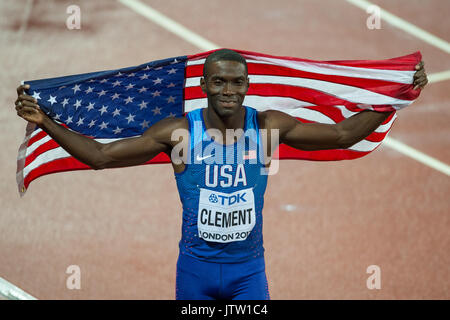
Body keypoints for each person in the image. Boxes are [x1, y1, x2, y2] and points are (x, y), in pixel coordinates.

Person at [15, 49, 428, 300]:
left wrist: (397, 94)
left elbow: (341, 134)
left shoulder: (267, 128)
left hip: (248, 273)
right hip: (195, 271)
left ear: (248, 85)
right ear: (205, 84)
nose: (228, 90)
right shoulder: (178, 132)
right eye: (219, 82)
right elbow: (102, 155)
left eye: (237, 82)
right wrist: (47, 122)